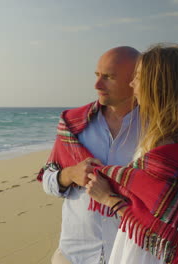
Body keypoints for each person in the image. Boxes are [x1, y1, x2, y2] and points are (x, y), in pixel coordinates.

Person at [85, 44, 178, 264]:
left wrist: (108, 198)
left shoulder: (166, 146)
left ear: (156, 85)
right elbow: (174, 209)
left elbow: (160, 223)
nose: (131, 84)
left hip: (149, 254)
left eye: (137, 77)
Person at [37, 46, 140, 264]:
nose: (97, 85)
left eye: (109, 77)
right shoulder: (74, 124)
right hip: (74, 255)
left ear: (136, 80)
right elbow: (47, 180)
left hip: (129, 255)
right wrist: (70, 174)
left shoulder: (157, 130)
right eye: (97, 75)